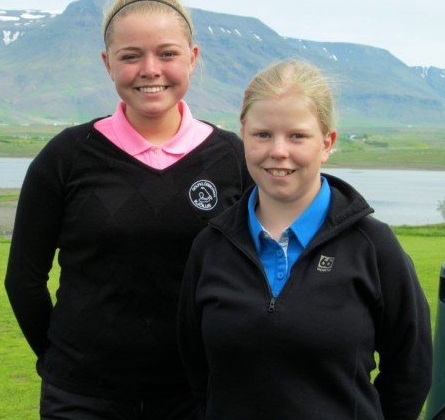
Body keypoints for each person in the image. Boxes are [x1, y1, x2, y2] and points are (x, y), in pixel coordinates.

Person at [4, 0, 252, 420]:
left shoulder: (232, 157)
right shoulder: (67, 156)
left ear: (192, 58)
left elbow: (260, 276)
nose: (150, 69)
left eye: (167, 53)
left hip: (196, 396)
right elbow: (23, 280)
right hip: (81, 398)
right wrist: (61, 361)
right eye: (131, 56)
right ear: (108, 63)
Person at [177, 59, 433, 419]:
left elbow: (410, 369)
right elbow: (197, 370)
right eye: (263, 134)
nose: (278, 151)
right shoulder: (211, 247)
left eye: (297, 136)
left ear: (327, 143)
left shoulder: (373, 246)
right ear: (243, 135)